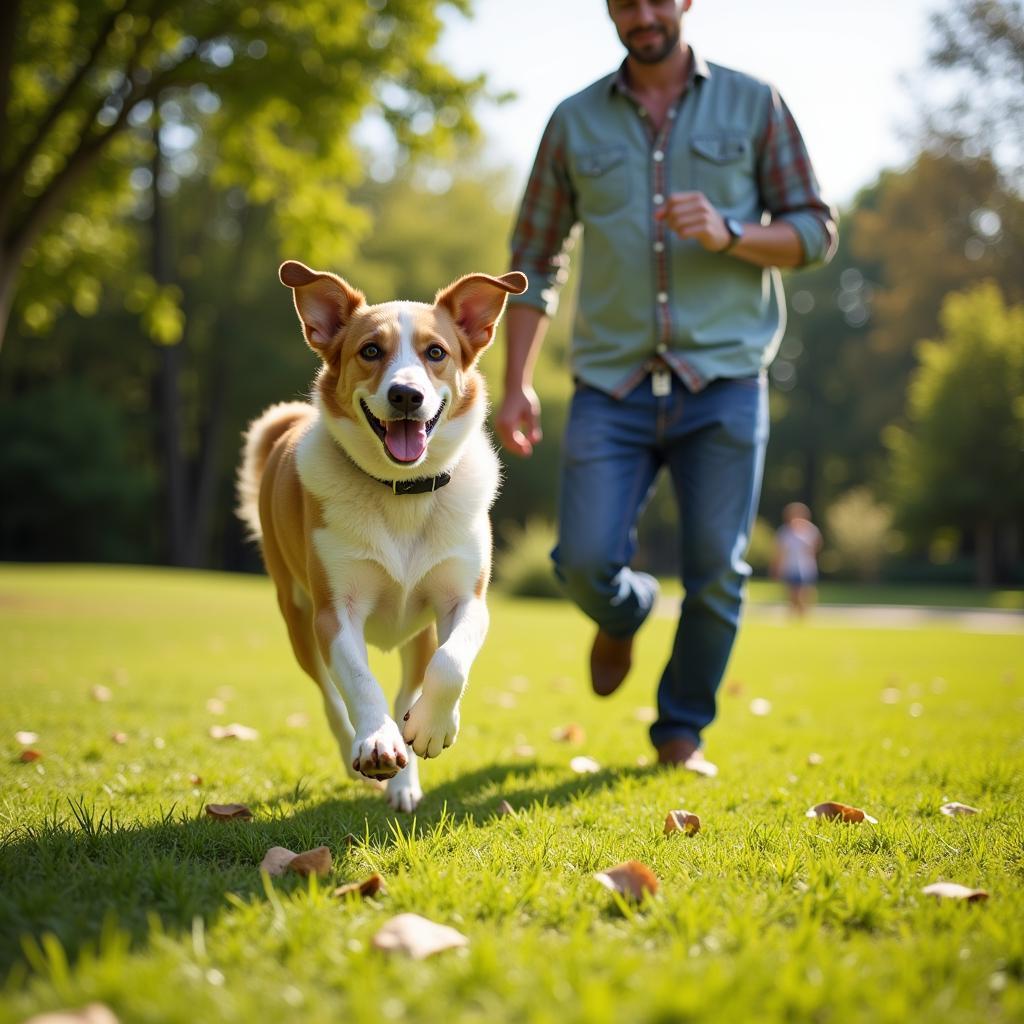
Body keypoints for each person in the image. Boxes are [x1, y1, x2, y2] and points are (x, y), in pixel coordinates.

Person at [494, 0, 837, 775]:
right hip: (609, 384)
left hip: (722, 380)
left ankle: (680, 733)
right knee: (581, 562)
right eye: (623, 0)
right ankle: (625, 611)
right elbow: (532, 259)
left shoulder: (755, 102)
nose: (641, 13)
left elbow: (816, 230)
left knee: (718, 571)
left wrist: (731, 233)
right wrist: (514, 383)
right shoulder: (573, 121)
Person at [772, 502, 823, 617]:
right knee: (792, 593)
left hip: (806, 567)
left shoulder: (811, 531)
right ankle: (795, 613)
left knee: (804, 592)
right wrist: (777, 567)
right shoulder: (784, 532)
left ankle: (803, 614)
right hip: (789, 566)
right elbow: (779, 552)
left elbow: (816, 547)